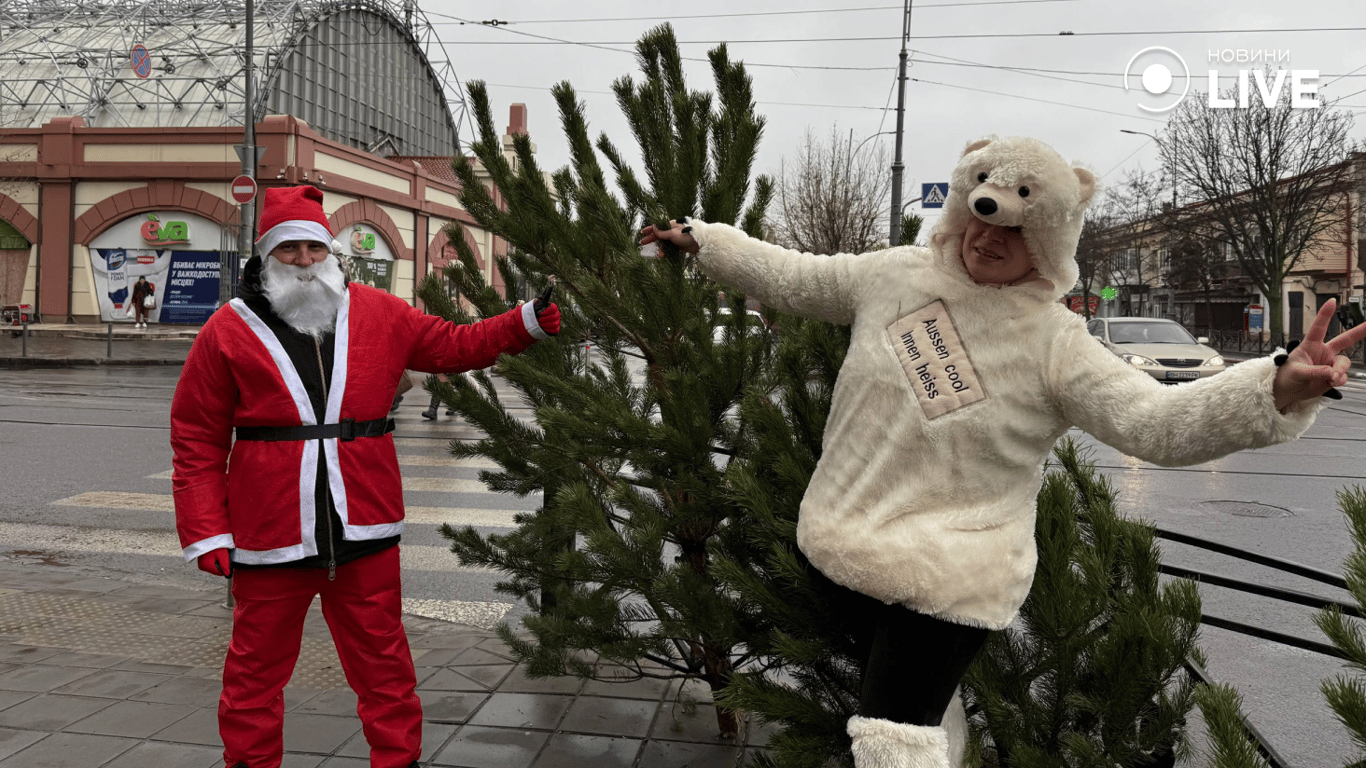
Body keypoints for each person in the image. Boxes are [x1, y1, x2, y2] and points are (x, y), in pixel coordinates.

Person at [640, 135, 1366, 768]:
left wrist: (1274, 388)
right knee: (920, 713)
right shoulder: (893, 277)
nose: (991, 234)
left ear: (1047, 240)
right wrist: (708, 241)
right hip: (842, 547)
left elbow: (1158, 422)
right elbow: (793, 277)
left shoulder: (1053, 341)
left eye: (1017, 229)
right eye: (983, 211)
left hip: (952, 573)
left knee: (893, 737)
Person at [171, 185, 560, 768]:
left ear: (330, 252)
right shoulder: (226, 330)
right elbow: (196, 436)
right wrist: (206, 530)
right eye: (289, 250)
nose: (304, 261)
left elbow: (453, 346)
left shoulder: (379, 312)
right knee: (252, 680)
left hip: (365, 531)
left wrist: (523, 321)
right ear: (265, 255)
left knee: (386, 674)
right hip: (270, 535)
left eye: (313, 248)